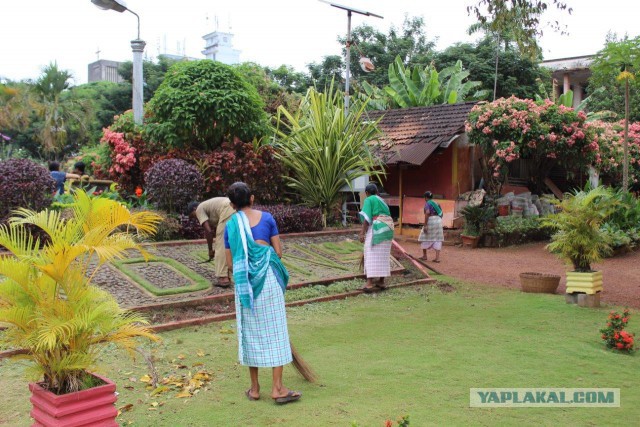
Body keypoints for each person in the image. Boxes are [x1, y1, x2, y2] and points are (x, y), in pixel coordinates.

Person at [224, 182, 301, 404]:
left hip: (245, 286)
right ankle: (277, 388)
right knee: (277, 330)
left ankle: (255, 388)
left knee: (250, 332)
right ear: (252, 199)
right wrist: (263, 251)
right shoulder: (267, 218)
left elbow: (230, 263)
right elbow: (278, 252)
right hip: (268, 281)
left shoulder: (231, 226)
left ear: (231, 205)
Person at [187, 197, 236, 287]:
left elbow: (209, 231)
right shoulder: (208, 206)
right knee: (231, 243)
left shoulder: (199, 209)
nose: (196, 218)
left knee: (221, 243)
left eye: (193, 216)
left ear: (194, 209)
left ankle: (223, 278)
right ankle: (228, 276)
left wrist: (210, 250)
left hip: (228, 208)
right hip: (235, 205)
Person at [358, 183, 394, 292]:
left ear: (367, 193)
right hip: (389, 227)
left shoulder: (369, 199)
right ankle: (381, 281)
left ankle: (369, 283)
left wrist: (362, 233)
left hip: (378, 227)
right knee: (383, 254)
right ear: (377, 192)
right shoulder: (382, 200)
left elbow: (367, 219)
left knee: (370, 253)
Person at [418, 191, 444, 262]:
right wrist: (438, 220)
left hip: (431, 220)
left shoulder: (427, 203)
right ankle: (437, 258)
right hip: (438, 221)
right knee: (438, 238)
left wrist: (425, 225)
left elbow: (427, 213)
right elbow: (441, 213)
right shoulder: (437, 203)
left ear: (425, 198)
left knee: (424, 236)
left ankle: (424, 256)